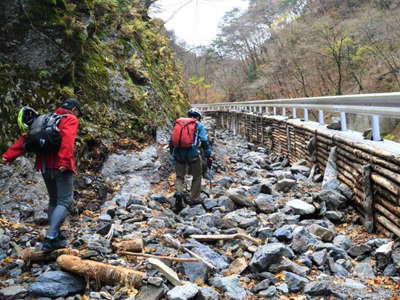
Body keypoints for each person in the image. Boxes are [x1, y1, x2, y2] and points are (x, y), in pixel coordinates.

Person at [2, 98, 82, 251]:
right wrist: (65, 162)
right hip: (61, 167)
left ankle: (56, 235)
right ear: (73, 109)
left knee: (53, 200)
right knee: (65, 201)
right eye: (78, 113)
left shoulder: (44, 119)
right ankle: (51, 237)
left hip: (44, 166)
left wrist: (8, 155)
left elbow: (25, 139)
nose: (77, 116)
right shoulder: (69, 119)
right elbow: (68, 141)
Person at [170, 109, 212, 212]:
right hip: (192, 153)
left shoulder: (179, 123)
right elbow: (204, 140)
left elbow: (171, 140)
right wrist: (208, 154)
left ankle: (179, 193)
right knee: (197, 176)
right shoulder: (198, 125)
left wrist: (173, 154)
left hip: (179, 153)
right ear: (198, 117)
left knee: (180, 176)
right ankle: (194, 198)